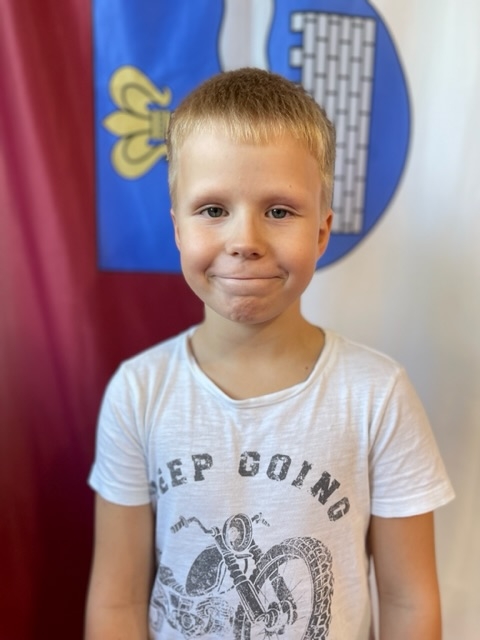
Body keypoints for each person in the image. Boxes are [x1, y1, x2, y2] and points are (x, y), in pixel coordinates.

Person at [85, 68, 454, 640]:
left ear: (322, 232)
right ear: (178, 229)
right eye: (213, 210)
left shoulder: (377, 395)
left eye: (279, 211)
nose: (245, 241)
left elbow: (408, 601)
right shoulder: (138, 393)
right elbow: (118, 602)